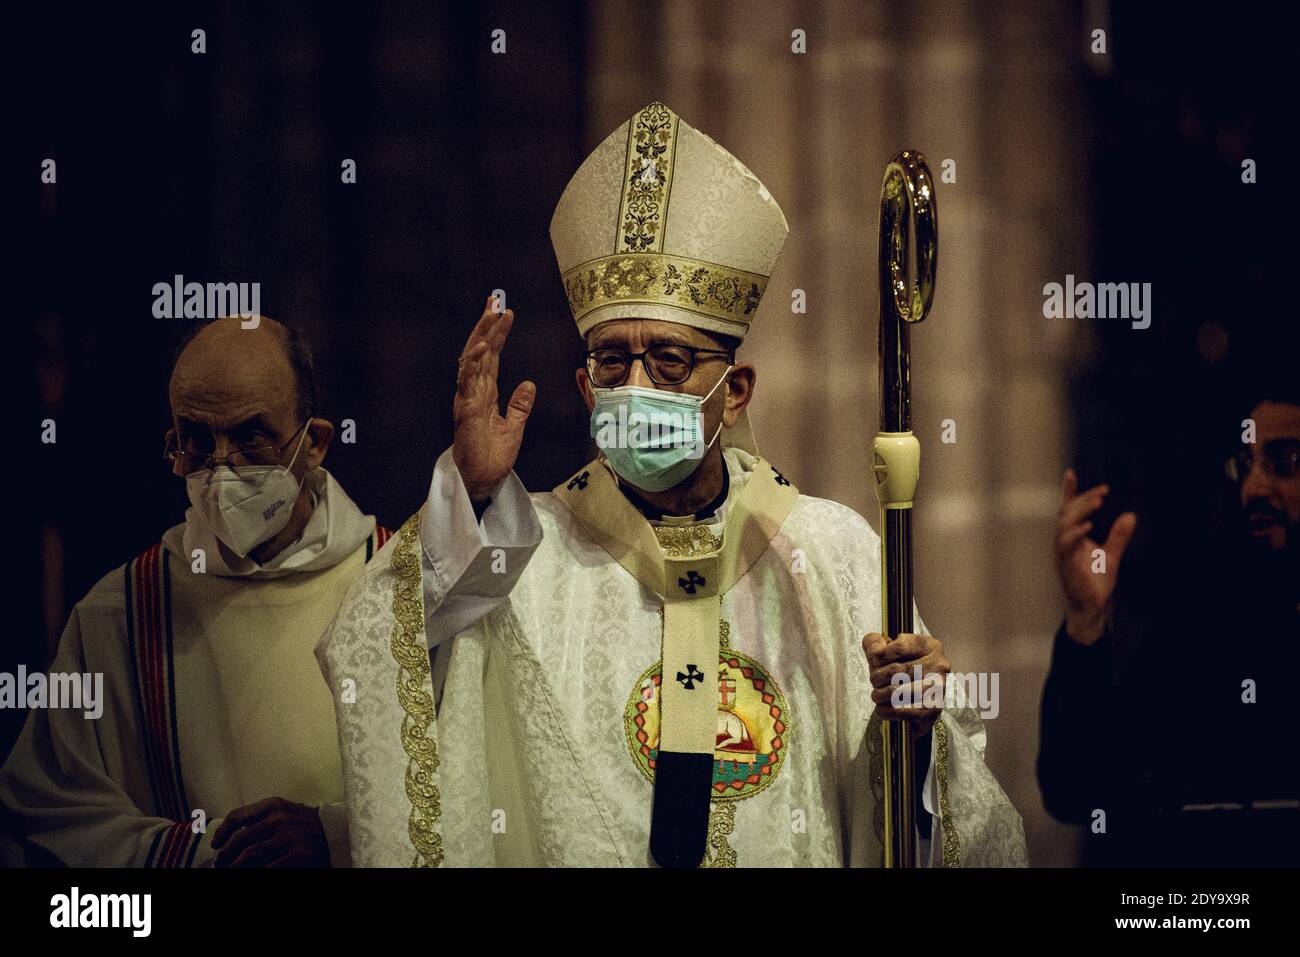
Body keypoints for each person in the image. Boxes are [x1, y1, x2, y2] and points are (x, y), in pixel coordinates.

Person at [318, 101, 1027, 867]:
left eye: (670, 361)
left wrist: (917, 734)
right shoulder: (524, 552)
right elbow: (385, 647)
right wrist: (474, 495)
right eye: (611, 363)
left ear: (738, 388)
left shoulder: (830, 552)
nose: (635, 385)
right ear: (586, 391)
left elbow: (928, 815)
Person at [0, 316, 389, 867]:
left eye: (250, 435)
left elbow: (467, 783)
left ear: (315, 443)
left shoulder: (395, 587)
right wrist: (202, 854)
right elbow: (44, 814)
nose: (220, 468)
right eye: (196, 441)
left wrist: (334, 835)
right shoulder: (121, 612)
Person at [1039, 385, 1299, 865]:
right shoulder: (1210, 624)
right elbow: (1074, 789)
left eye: (1286, 461)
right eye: (1246, 465)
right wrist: (1085, 621)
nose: (1255, 488)